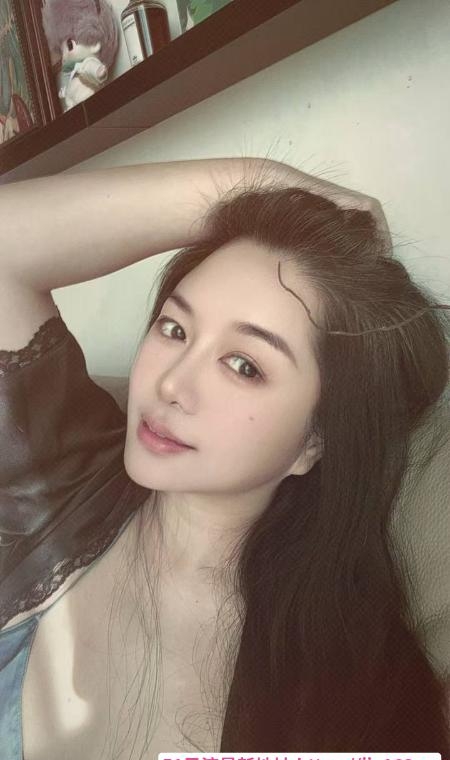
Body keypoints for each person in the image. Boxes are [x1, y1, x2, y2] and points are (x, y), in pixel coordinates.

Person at [0, 157, 448, 757]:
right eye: (174, 330)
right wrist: (262, 181)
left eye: (244, 365)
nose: (171, 385)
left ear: (315, 440)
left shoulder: (345, 701)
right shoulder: (62, 482)